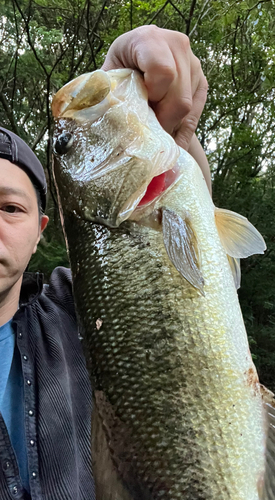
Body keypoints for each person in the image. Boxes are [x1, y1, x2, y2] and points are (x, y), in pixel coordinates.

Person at [0, 26, 209, 500]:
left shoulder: (79, 309)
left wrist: (156, 114)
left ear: (40, 234)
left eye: (10, 208)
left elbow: (193, 253)